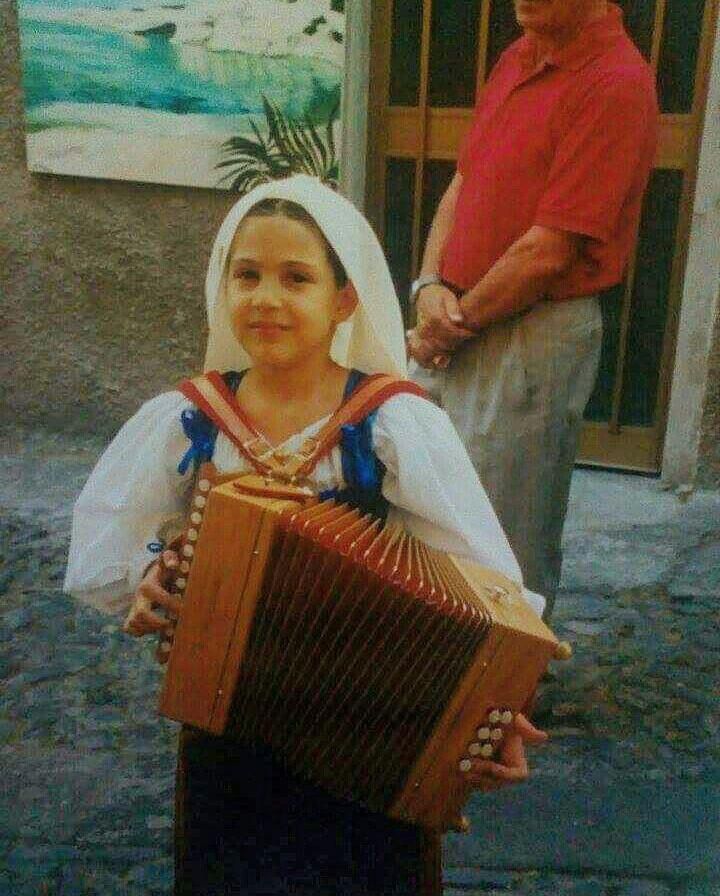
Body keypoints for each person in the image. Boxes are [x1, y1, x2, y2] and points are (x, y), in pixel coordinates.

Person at [65, 175, 547, 896]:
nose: (267, 297)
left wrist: (498, 704)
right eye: (247, 275)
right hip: (229, 734)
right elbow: (109, 540)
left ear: (344, 300)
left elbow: (486, 580)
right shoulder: (189, 419)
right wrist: (151, 577)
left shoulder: (392, 423)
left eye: (296, 278)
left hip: (376, 729)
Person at [407, 0, 659, 615]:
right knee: (419, 510)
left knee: (502, 545)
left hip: (529, 333)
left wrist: (447, 328)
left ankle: (507, 675)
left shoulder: (616, 82)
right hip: (458, 318)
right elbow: (464, 180)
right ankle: (428, 662)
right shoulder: (520, 55)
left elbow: (550, 250)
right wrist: (429, 283)